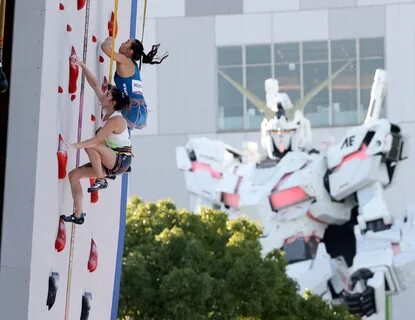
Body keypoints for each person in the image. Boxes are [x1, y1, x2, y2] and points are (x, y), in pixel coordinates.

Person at [60, 57, 132, 225]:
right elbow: (94, 83)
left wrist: (72, 146)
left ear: (113, 102)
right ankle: (78, 215)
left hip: (120, 160)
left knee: (94, 145)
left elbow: (97, 141)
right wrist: (81, 64)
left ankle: (100, 179)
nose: (104, 94)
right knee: (74, 176)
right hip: (110, 159)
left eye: (107, 94)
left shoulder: (116, 120)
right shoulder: (107, 108)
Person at [101, 37, 168, 130]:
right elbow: (128, 90)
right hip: (140, 111)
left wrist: (109, 40)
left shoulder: (124, 59)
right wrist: (110, 86)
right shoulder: (134, 65)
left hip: (134, 111)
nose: (122, 43)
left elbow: (104, 48)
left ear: (129, 52)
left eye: (126, 42)